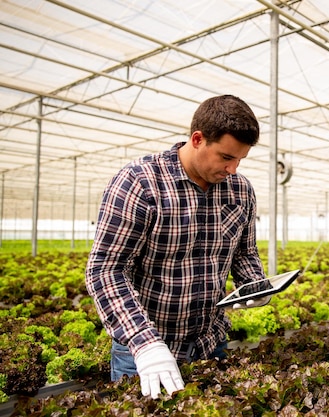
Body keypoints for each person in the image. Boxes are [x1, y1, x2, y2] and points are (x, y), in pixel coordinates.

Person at [85, 94, 271, 399]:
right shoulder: (140, 183)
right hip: (145, 355)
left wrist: (254, 284)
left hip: (211, 344)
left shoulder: (240, 190)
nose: (234, 169)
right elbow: (105, 270)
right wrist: (145, 343)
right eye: (226, 157)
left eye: (240, 159)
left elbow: (244, 252)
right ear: (197, 139)